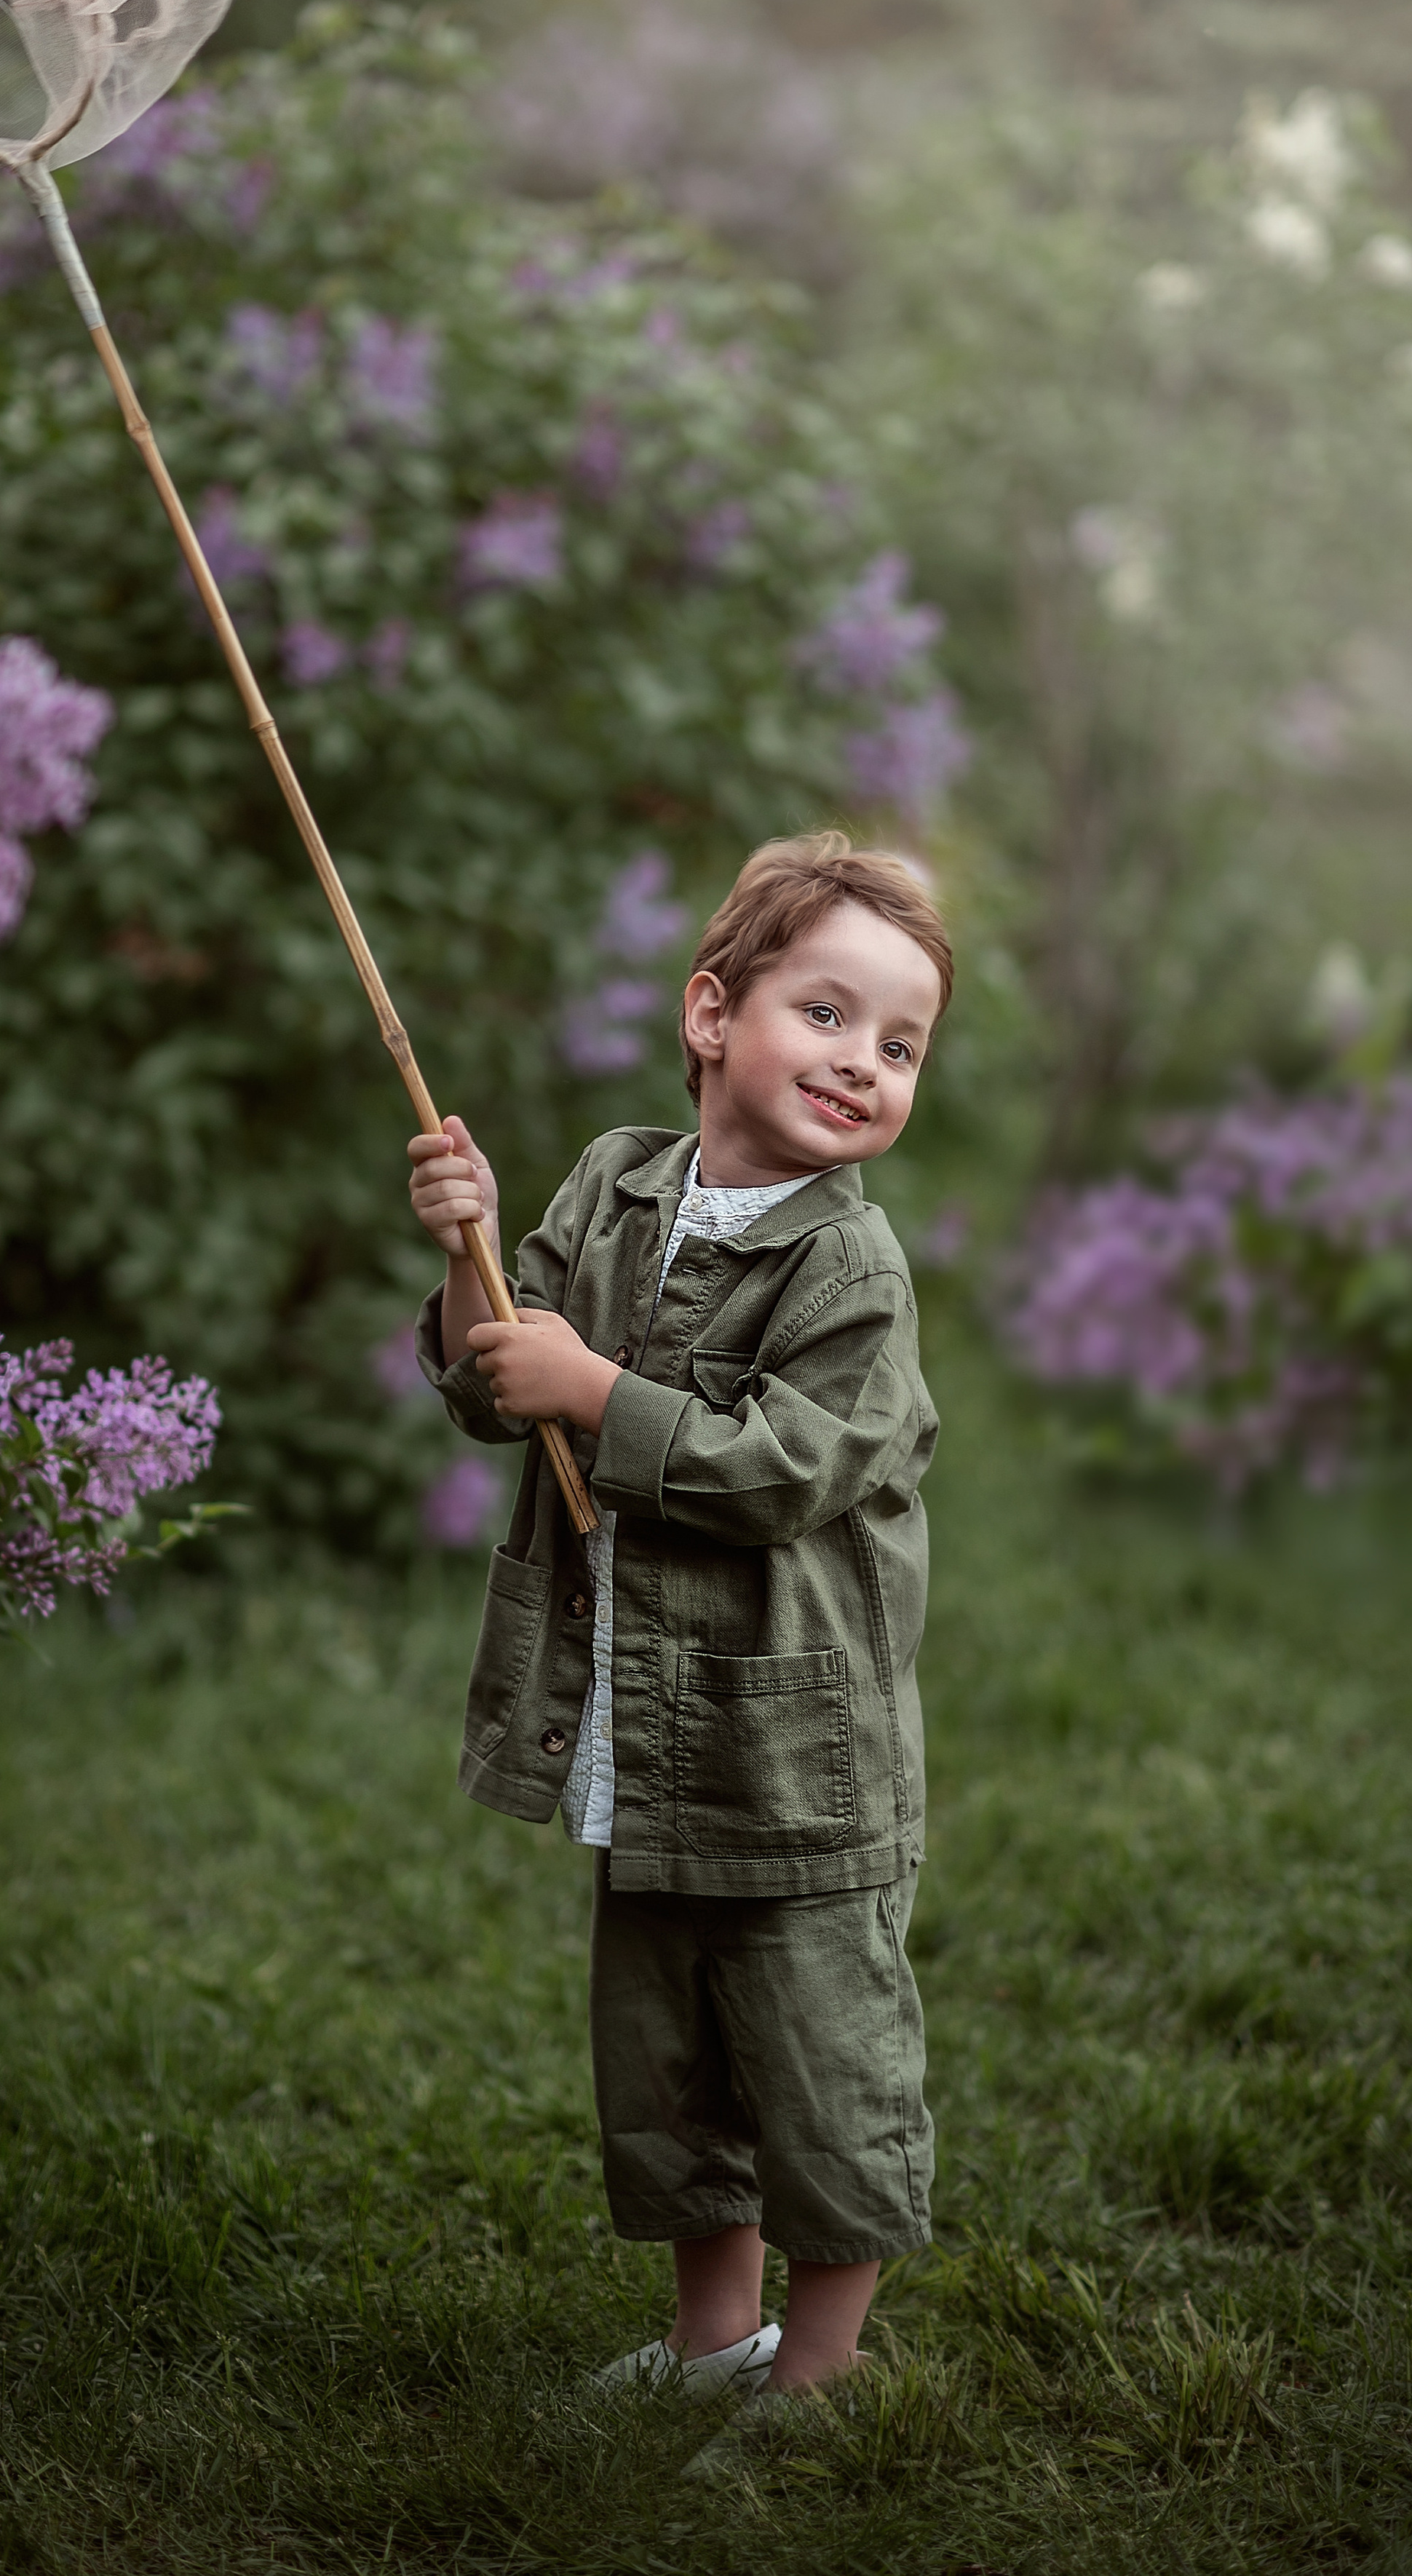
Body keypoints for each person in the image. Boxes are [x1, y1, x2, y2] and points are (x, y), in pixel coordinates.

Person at [407, 829, 949, 2423]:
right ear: (712, 1013)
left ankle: (824, 2376)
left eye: (900, 1043)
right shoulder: (614, 1184)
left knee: (817, 2063)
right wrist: (469, 1251)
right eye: (827, 1014)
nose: (862, 1062)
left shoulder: (845, 1260)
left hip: (791, 1751)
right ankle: (716, 2342)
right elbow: (492, 1384)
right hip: (640, 1732)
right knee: (666, 2062)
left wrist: (603, 1389)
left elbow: (790, 1466)